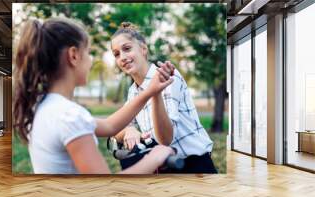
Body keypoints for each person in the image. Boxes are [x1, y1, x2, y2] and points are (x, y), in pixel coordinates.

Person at [13, 18, 176, 174]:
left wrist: (150, 92)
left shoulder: (45, 107)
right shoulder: (70, 117)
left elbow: (109, 126)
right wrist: (155, 157)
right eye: (88, 52)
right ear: (74, 56)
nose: (91, 61)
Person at [111, 22, 217, 173]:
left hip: (193, 164)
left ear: (143, 49)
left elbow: (165, 139)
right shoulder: (133, 91)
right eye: (116, 54)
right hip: (164, 165)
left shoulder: (167, 76)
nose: (122, 57)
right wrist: (130, 130)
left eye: (127, 49)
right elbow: (116, 127)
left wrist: (155, 93)